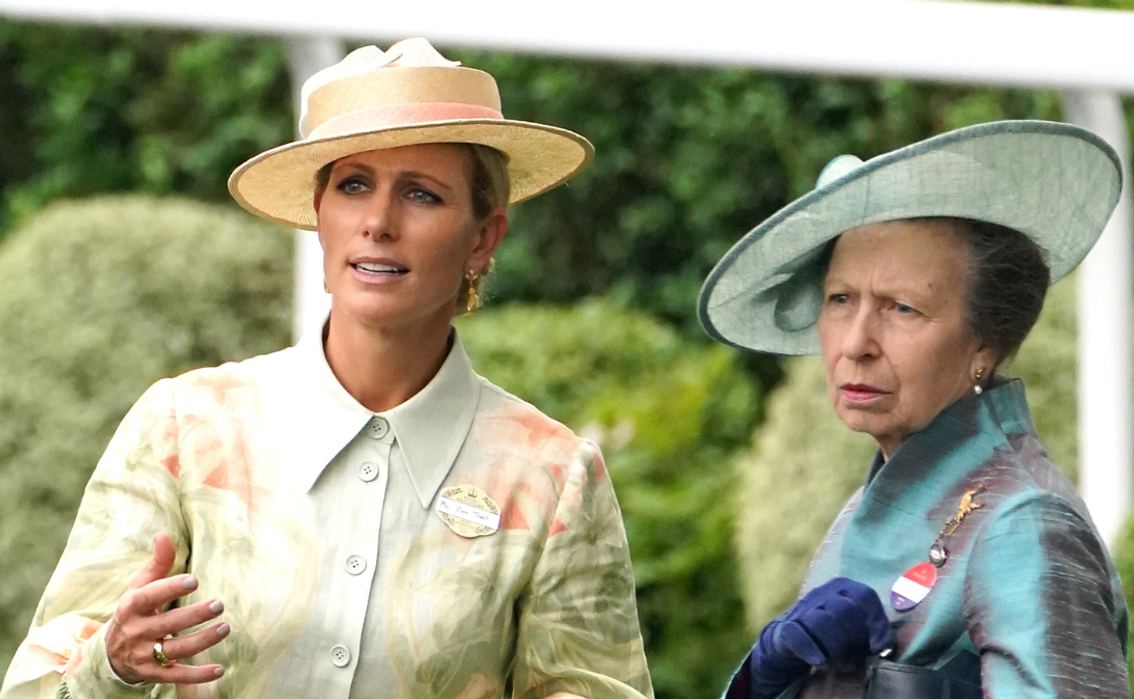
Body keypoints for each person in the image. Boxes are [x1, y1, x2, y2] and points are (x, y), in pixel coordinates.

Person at [1, 38, 652, 699]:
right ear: (320, 212)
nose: (377, 221)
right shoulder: (183, 428)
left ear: (482, 237)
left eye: (421, 194)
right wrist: (108, 667)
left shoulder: (553, 474)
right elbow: (33, 688)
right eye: (354, 185)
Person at [698, 121, 1129, 699]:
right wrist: (765, 683)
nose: (856, 342)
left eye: (902, 308)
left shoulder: (1023, 522)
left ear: (986, 343)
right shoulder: (870, 505)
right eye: (840, 299)